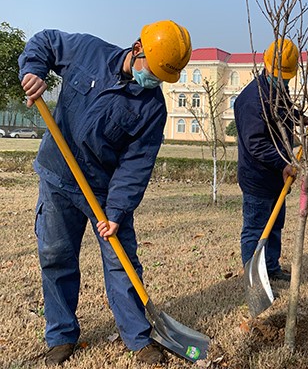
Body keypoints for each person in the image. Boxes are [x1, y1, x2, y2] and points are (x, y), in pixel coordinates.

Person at [19, 20, 192, 365]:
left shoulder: (152, 108)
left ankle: (139, 337)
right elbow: (46, 42)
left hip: (103, 190)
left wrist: (116, 212)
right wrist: (34, 70)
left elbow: (136, 166)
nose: (154, 81)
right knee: (55, 256)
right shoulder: (88, 52)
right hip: (58, 174)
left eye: (162, 77)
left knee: (121, 261)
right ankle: (61, 336)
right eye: (154, 71)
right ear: (138, 48)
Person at [234, 38, 308, 283]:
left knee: (275, 225)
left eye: (287, 77)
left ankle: (271, 267)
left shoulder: (277, 91)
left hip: (277, 177)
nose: (285, 81)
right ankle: (253, 277)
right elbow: (255, 142)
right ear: (267, 67)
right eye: (281, 76)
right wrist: (283, 164)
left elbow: (284, 112)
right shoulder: (251, 101)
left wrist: (302, 118)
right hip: (257, 177)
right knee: (256, 229)